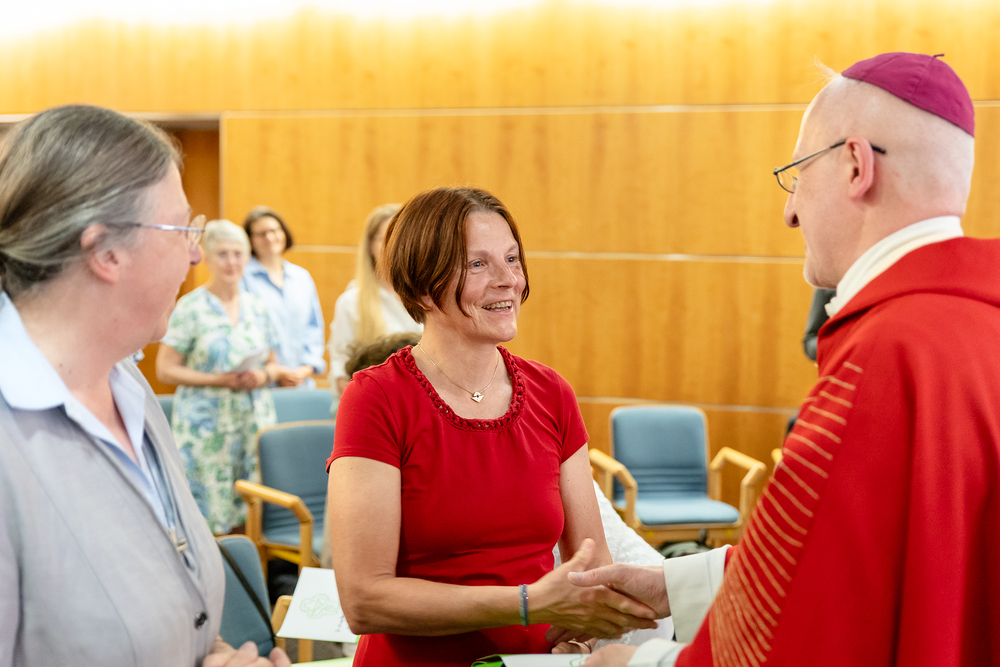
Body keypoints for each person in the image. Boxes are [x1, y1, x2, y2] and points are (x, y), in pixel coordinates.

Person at [572, 52, 1000, 667]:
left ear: (856, 166)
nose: (790, 211)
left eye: (798, 174)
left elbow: (807, 639)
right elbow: (859, 561)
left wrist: (631, 663)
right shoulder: (974, 326)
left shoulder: (883, 358)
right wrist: (672, 585)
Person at [0, 105, 288, 666]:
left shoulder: (126, 383)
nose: (195, 253)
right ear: (105, 251)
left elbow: (172, 612)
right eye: (182, 230)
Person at [326, 187, 659, 666]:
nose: (508, 280)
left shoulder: (552, 393)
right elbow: (364, 600)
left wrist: (581, 638)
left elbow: (592, 566)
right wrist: (526, 604)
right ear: (423, 286)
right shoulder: (376, 397)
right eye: (478, 264)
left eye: (512, 259)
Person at [156, 219, 281, 535]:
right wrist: (218, 380)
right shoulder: (190, 307)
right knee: (207, 514)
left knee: (250, 507)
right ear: (208, 258)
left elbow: (273, 364)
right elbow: (165, 369)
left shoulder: (258, 307)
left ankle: (247, 563)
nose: (231, 262)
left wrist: (262, 375)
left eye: (238, 254)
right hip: (205, 427)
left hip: (251, 422)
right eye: (223, 254)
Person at [328, 203, 422, 397]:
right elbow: (340, 369)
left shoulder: (429, 297)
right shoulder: (351, 302)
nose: (393, 245)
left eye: (400, 237)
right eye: (385, 238)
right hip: (372, 400)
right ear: (370, 245)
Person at [240, 206, 326, 388]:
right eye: (261, 234)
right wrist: (275, 372)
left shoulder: (301, 277)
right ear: (250, 241)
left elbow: (313, 327)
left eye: (274, 230)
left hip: (301, 382)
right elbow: (244, 330)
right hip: (261, 383)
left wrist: (306, 368)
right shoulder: (242, 277)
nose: (270, 238)